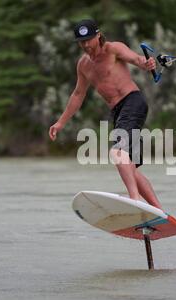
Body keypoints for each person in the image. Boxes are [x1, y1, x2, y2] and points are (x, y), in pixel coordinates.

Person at [48, 19, 163, 210]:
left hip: (132, 102)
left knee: (117, 153)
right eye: (81, 41)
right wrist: (60, 123)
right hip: (118, 112)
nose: (85, 45)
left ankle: (134, 201)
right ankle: (158, 212)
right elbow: (78, 94)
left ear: (98, 35)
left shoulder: (113, 49)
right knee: (130, 168)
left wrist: (146, 63)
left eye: (89, 40)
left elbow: (136, 59)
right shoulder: (83, 65)